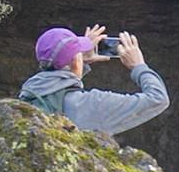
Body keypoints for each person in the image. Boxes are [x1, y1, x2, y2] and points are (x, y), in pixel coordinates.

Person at [18, 24, 169, 138]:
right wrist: (138, 66)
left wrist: (79, 64)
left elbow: (59, 86)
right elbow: (157, 99)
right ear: (77, 60)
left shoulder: (29, 93)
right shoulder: (93, 103)